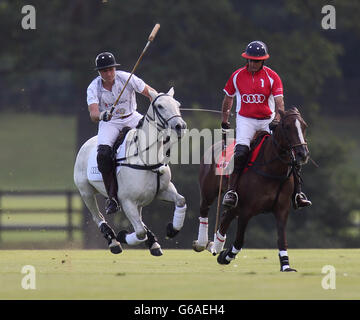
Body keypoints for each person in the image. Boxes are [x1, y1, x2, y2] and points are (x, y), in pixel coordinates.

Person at [221, 41, 312, 209]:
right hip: (245, 120)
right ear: (246, 59)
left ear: (263, 61)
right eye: (250, 60)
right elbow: (228, 97)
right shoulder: (237, 76)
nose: (253, 63)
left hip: (267, 120)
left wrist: (277, 119)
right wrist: (225, 118)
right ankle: (232, 191)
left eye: (257, 61)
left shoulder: (272, 76)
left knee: (289, 150)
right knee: (241, 152)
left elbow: (279, 103)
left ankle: (298, 193)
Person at [87, 52, 156, 214]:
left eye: (111, 69)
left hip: (132, 117)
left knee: (154, 136)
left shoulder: (127, 78)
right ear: (99, 72)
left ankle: (159, 174)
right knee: (103, 154)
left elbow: (150, 92)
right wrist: (103, 115)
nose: (109, 74)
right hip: (109, 122)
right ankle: (112, 197)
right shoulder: (93, 87)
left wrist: (161, 101)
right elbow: (93, 113)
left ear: (115, 68)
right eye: (104, 71)